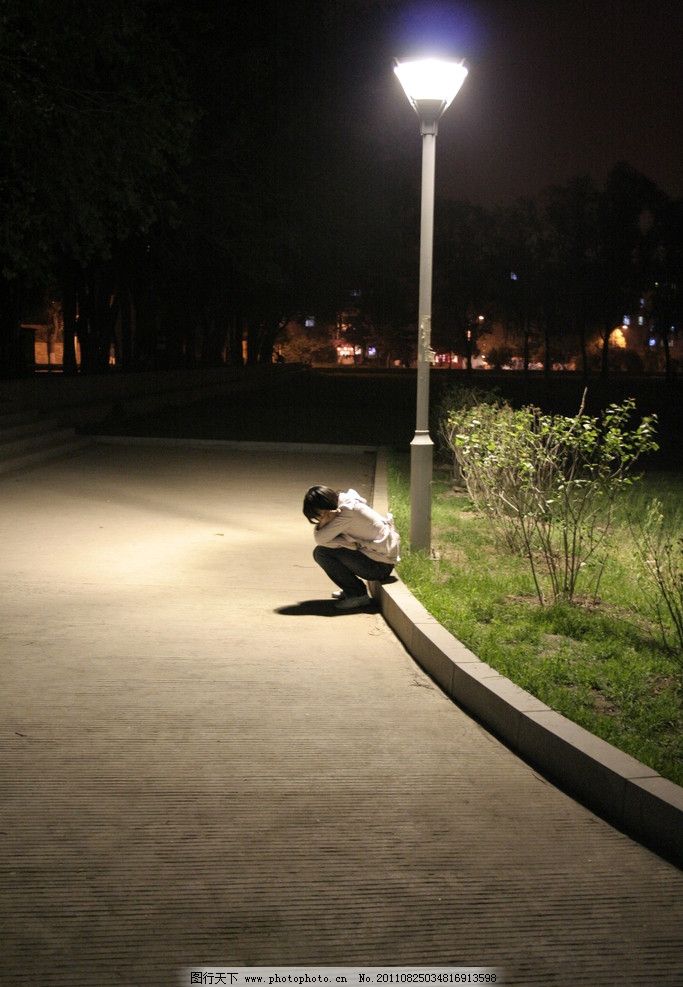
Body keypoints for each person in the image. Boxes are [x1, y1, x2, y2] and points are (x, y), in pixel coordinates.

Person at [303, 485, 400, 610]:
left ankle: (357, 595)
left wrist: (324, 522)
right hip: (378, 560)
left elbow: (320, 539)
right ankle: (352, 589)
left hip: (379, 567)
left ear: (326, 508)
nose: (320, 519)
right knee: (325, 549)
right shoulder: (345, 503)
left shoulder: (347, 513)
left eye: (320, 515)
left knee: (322, 553)